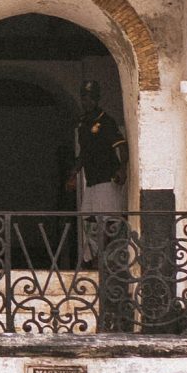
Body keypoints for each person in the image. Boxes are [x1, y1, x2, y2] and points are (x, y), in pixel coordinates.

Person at [71, 81, 128, 262]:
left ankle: (107, 260)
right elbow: (84, 153)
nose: (86, 102)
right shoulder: (82, 123)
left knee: (108, 220)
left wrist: (122, 168)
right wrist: (73, 173)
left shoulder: (106, 121)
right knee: (88, 218)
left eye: (89, 98)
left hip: (107, 179)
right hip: (92, 180)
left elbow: (122, 146)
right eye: (84, 98)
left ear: (96, 99)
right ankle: (95, 257)